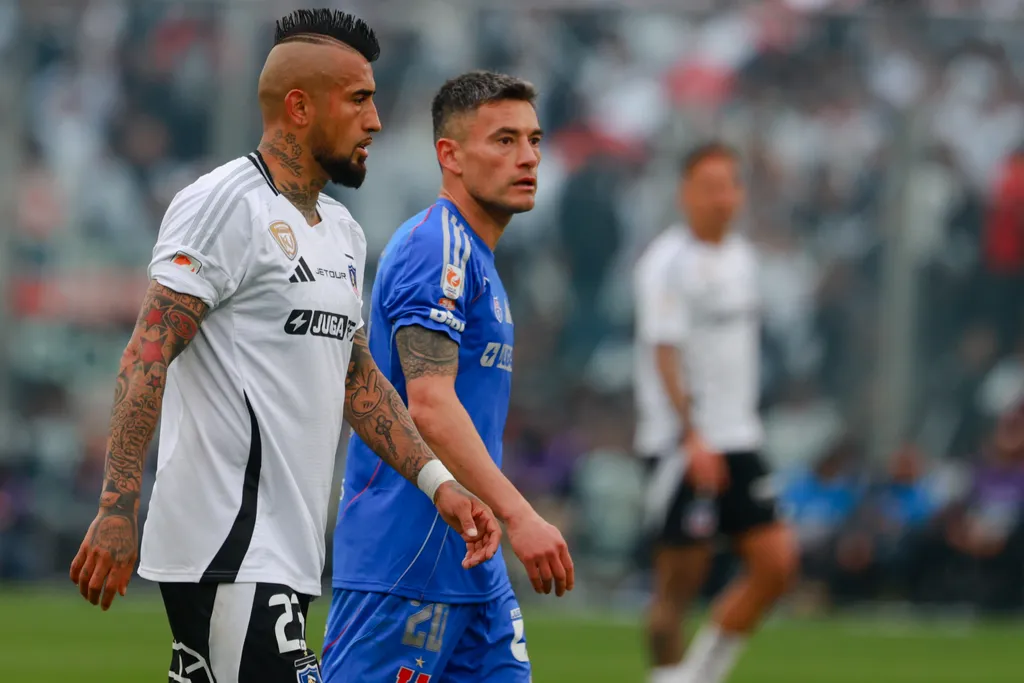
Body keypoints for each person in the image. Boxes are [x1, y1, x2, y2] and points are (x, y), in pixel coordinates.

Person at [68, 10, 500, 683]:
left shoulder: (344, 232)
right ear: (299, 107)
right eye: (359, 99)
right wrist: (118, 504)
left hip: (289, 552)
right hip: (227, 543)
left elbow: (356, 379)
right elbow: (146, 354)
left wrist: (439, 483)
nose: (377, 121)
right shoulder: (223, 205)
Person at [321, 70, 574, 683]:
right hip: (405, 558)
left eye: (534, 141)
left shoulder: (478, 258)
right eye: (504, 140)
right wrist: (522, 516)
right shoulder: (437, 248)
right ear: (450, 155)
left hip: (470, 560)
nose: (528, 158)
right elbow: (428, 406)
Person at [633, 142, 798, 683]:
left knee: (776, 565)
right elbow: (664, 352)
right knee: (680, 584)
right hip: (682, 444)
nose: (721, 198)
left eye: (729, 185)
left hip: (739, 436)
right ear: (686, 194)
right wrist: (692, 436)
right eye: (708, 186)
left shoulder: (743, 259)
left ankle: (699, 675)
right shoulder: (667, 263)